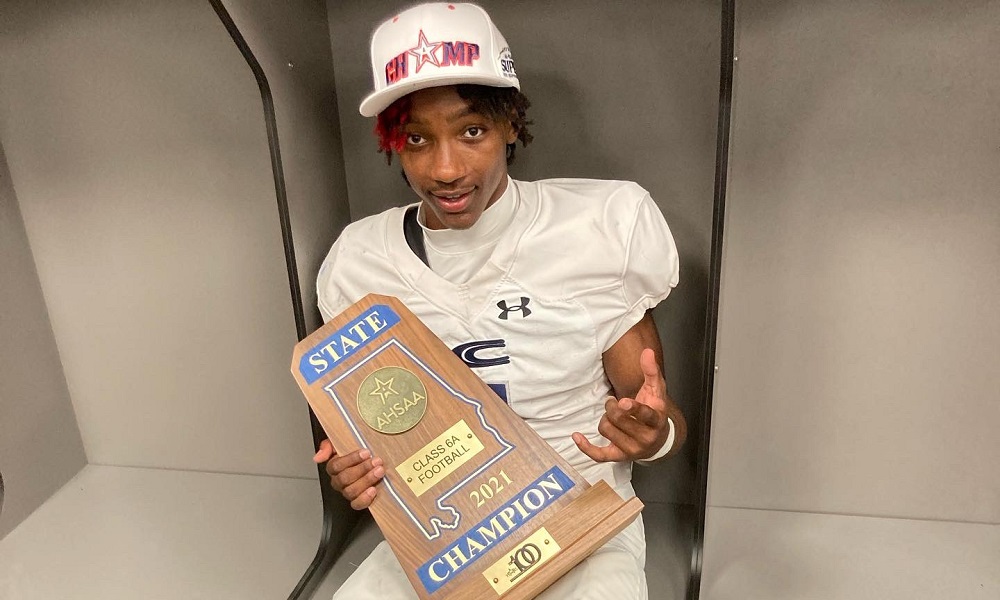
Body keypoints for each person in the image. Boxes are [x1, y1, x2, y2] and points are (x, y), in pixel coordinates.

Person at [311, 3, 687, 599]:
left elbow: (653, 412)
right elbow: (376, 438)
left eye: (471, 131)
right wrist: (355, 473)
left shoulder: (601, 225)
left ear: (510, 123)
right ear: (392, 144)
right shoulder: (361, 262)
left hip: (583, 511)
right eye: (416, 139)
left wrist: (654, 434)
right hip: (447, 532)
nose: (445, 168)